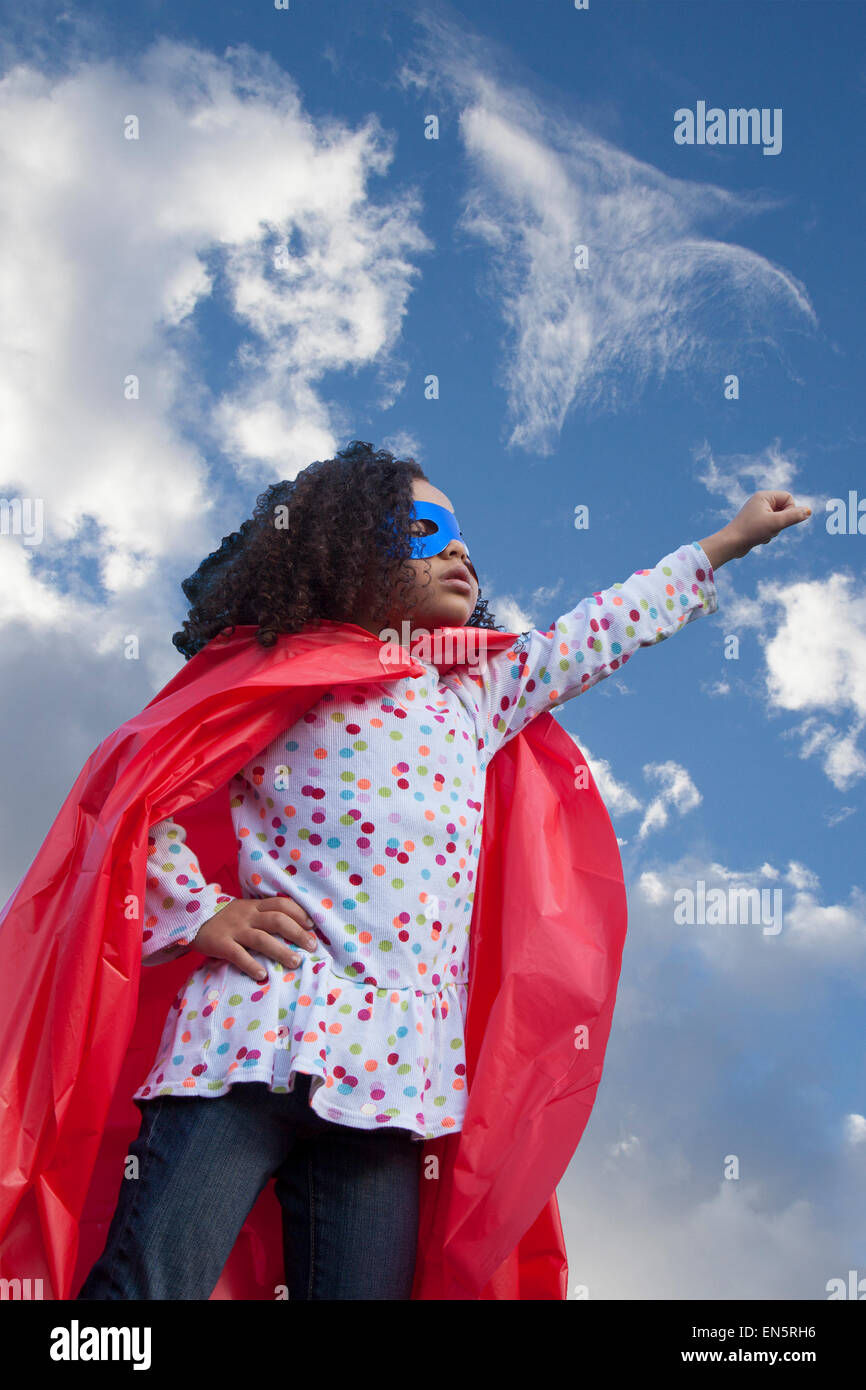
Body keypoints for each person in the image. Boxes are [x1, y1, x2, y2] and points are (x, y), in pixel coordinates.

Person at [65, 440, 806, 1298]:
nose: (460, 550)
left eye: (464, 538)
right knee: (147, 1291)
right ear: (343, 549)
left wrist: (725, 542)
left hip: (389, 1087)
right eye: (424, 529)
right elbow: (137, 799)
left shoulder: (474, 700)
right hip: (245, 1041)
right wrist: (199, 914)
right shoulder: (276, 677)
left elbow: (596, 631)